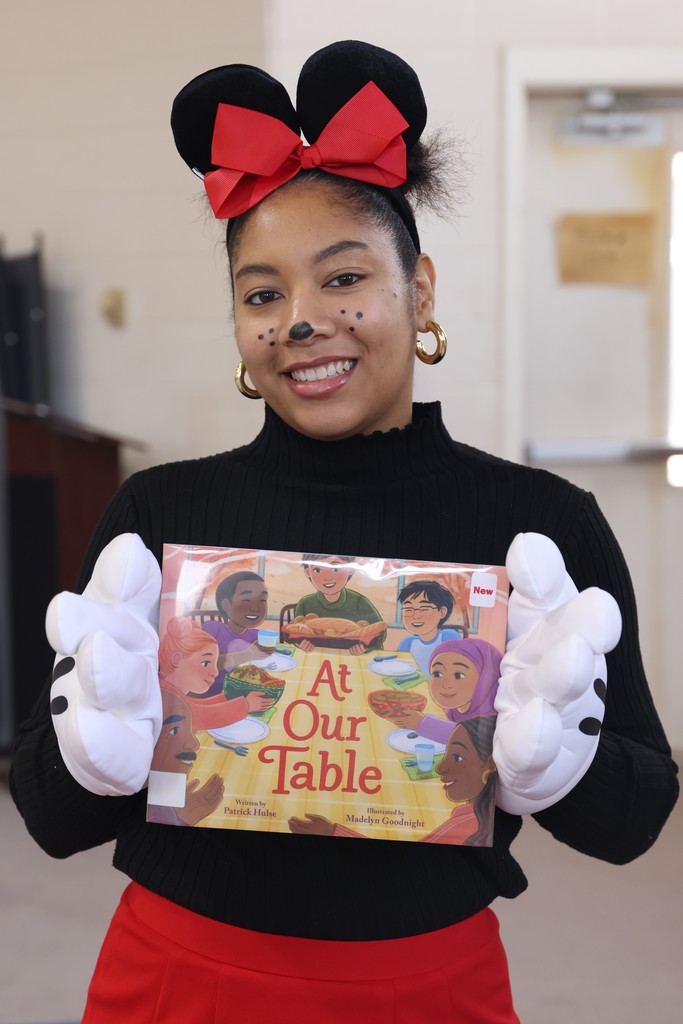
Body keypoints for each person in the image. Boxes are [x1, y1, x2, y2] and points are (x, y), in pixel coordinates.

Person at [9, 39, 678, 1024]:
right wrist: (92, 746)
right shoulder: (158, 516)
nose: (301, 321)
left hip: (428, 987)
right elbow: (47, 814)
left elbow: (634, 819)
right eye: (262, 293)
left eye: (343, 278)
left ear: (421, 290)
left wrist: (555, 762)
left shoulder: (536, 528)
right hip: (178, 978)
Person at [288, 714, 498, 846]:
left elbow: (398, 863)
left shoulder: (468, 824)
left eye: (457, 757)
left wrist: (333, 832)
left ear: (490, 764)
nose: (439, 767)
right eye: (446, 753)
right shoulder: (473, 813)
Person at [158, 614, 275, 730]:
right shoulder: (167, 697)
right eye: (205, 663)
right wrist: (247, 705)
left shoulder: (170, 689)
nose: (215, 672)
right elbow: (202, 715)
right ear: (177, 660)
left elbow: (199, 704)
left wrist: (235, 696)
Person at [386, 637, 502, 745]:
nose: (446, 684)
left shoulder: (493, 719)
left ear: (486, 678)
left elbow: (473, 739)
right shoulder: (455, 708)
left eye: (459, 675)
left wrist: (422, 723)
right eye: (438, 674)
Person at [294, 552, 386, 654]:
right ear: (308, 572)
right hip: (317, 656)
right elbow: (294, 633)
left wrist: (365, 648)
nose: (327, 577)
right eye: (317, 570)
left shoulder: (360, 602)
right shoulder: (304, 603)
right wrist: (301, 644)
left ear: (350, 569)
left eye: (336, 569)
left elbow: (381, 633)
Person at [200, 570, 269, 694]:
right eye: (247, 600)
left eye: (262, 600)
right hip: (208, 697)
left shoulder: (257, 635)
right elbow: (200, 664)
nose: (255, 608)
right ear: (226, 605)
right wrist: (246, 654)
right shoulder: (211, 629)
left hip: (245, 695)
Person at [396, 578, 463, 675]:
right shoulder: (408, 643)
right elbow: (398, 669)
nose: (416, 616)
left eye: (424, 609)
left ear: (442, 612)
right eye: (409, 609)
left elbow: (457, 669)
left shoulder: (448, 637)